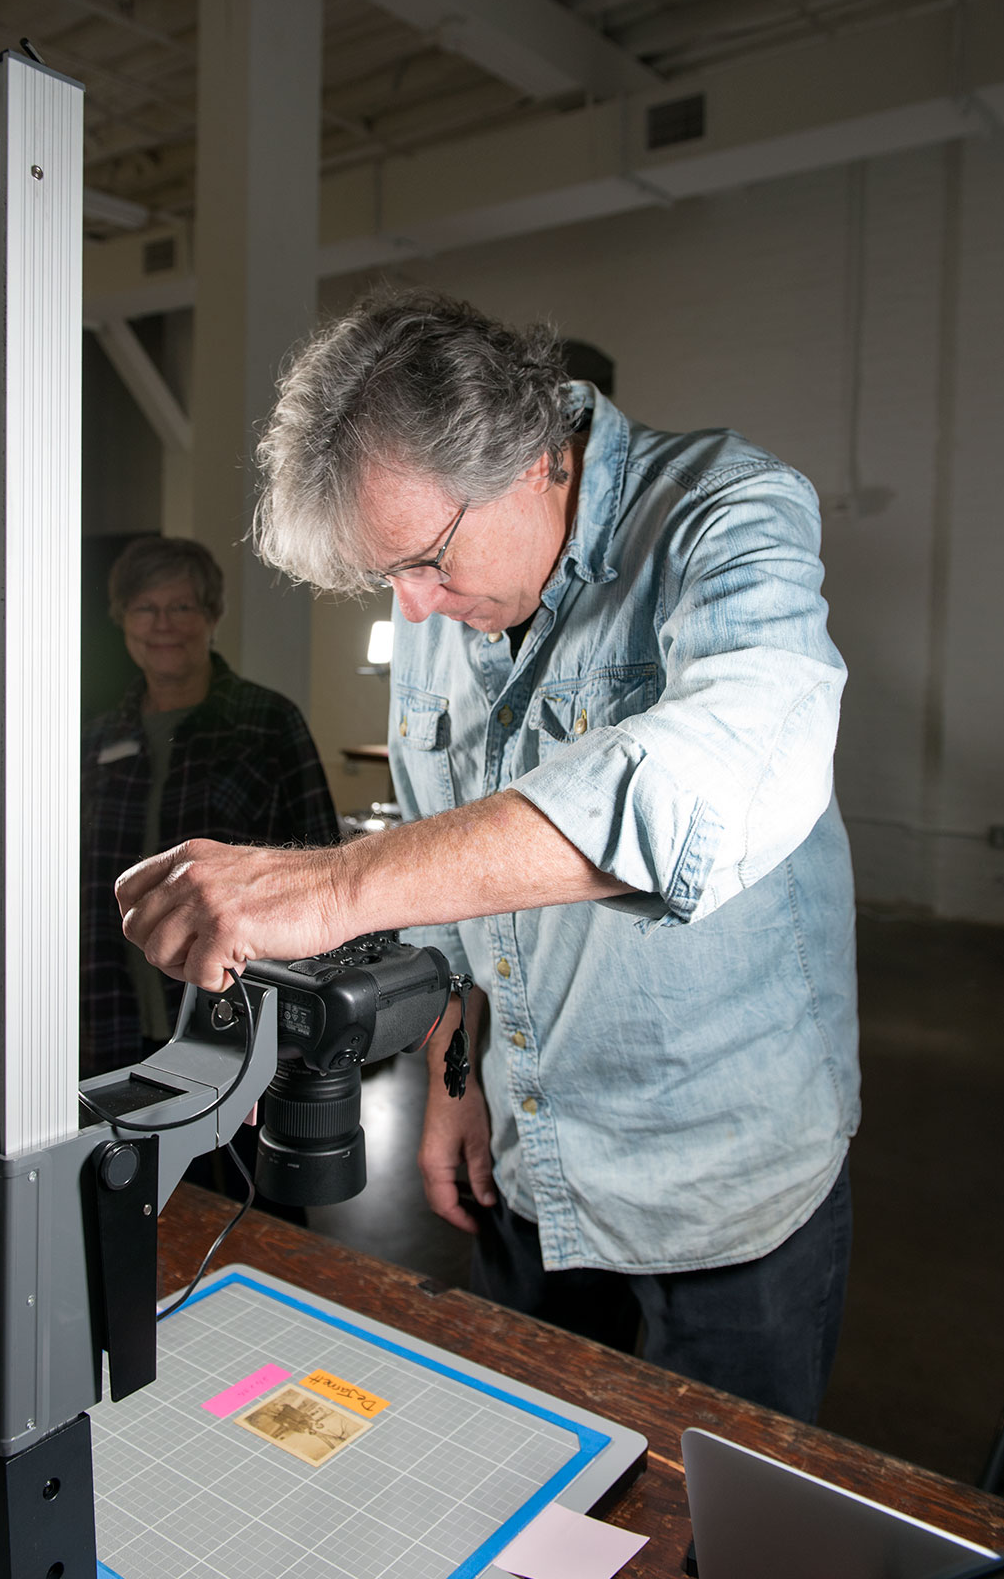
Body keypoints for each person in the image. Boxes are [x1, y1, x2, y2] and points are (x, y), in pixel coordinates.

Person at [113, 293, 860, 1423]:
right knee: (543, 1503)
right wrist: (456, 1079)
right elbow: (462, 902)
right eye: (386, 577)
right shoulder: (441, 592)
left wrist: (335, 884)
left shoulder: (726, 512)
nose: (414, 606)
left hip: (722, 1175)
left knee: (722, 1551)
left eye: (425, 561)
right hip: (534, 1157)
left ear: (529, 462)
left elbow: (718, 780)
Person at [80, 534, 338, 1077]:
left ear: (212, 615)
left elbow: (321, 863)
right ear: (122, 619)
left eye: (181, 607)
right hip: (109, 1005)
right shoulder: (95, 736)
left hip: (233, 1007)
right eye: (145, 608)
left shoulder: (267, 722)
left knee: (236, 1159)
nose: (163, 624)